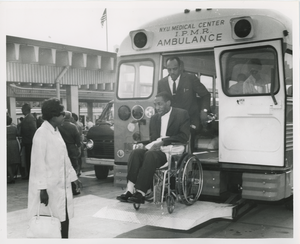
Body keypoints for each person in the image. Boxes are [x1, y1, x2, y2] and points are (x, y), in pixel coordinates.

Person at [116, 92, 190, 204]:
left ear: (168, 103)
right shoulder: (154, 118)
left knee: (150, 155)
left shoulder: (181, 114)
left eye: (160, 104)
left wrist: (163, 142)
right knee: (136, 152)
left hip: (170, 152)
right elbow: (153, 140)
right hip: (156, 149)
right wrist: (142, 144)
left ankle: (141, 192)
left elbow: (184, 137)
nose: (157, 107)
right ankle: (130, 190)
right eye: (155, 104)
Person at [28, 97, 81, 239]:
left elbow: (65, 158)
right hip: (49, 188)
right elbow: (38, 164)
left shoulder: (56, 131)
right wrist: (42, 189)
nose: (64, 116)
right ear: (52, 116)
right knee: (52, 224)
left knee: (64, 219)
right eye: (61, 113)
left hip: (60, 186)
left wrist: (73, 178)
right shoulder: (41, 133)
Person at [157, 57, 211, 151]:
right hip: (171, 121)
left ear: (180, 67)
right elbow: (160, 102)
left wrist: (204, 111)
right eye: (169, 69)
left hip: (190, 120)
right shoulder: (161, 83)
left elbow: (206, 95)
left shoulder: (191, 79)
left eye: (175, 69)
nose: (172, 72)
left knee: (187, 146)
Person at [58, 111, 81, 177]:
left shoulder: (59, 126)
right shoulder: (73, 127)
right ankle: (73, 178)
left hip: (61, 147)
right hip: (72, 147)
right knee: (73, 163)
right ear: (70, 117)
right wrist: (79, 148)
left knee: (63, 163)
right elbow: (77, 138)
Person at [20, 103, 37, 179]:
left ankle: (30, 175)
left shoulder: (30, 118)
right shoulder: (28, 118)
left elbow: (33, 130)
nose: (21, 111)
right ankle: (29, 174)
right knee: (28, 159)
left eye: (22, 109)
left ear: (25, 110)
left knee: (29, 159)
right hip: (27, 141)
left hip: (29, 142)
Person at [7, 115, 21, 184]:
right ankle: (14, 174)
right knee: (14, 160)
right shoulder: (14, 128)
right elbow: (18, 134)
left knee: (8, 162)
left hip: (6, 144)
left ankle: (11, 177)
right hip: (14, 144)